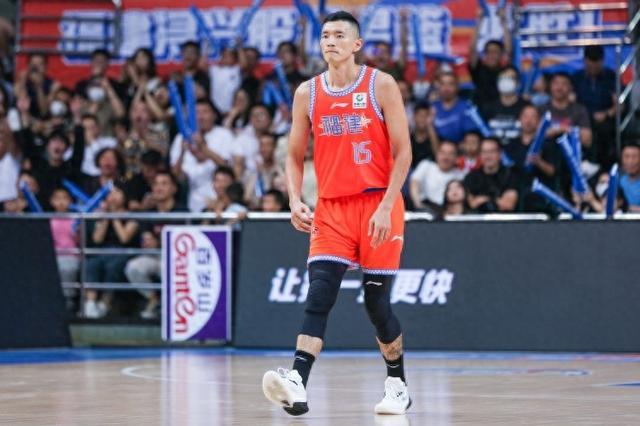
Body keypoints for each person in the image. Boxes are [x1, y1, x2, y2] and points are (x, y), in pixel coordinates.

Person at [262, 11, 413, 416]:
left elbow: (404, 153)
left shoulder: (381, 84)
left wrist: (386, 206)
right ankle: (297, 381)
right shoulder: (307, 93)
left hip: (379, 203)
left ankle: (397, 384)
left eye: (339, 35)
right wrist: (295, 199)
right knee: (320, 292)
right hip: (331, 207)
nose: (330, 41)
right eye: (325, 35)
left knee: (376, 304)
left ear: (356, 44)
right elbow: (293, 155)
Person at [124, 171, 188, 319]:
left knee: (168, 269)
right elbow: (145, 236)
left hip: (177, 260)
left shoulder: (183, 212)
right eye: (156, 184)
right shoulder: (148, 213)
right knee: (133, 267)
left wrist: (158, 243)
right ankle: (154, 300)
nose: (159, 188)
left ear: (174, 189)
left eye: (164, 184)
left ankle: (171, 305)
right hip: (153, 256)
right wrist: (147, 240)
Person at [170, 99, 235, 212]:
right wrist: (182, 152)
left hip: (220, 200)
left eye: (205, 112)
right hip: (191, 200)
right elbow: (175, 175)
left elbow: (227, 168)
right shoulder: (181, 137)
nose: (200, 117)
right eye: (196, 112)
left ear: (214, 115)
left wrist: (203, 148)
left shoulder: (224, 134)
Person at [503, 105, 561, 212]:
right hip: (516, 191)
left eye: (533, 117)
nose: (528, 121)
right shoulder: (511, 145)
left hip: (541, 192)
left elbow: (553, 172)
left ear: (539, 121)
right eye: (525, 116)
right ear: (520, 119)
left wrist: (539, 162)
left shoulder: (548, 144)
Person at [572, 45, 617, 168]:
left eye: (596, 65)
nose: (593, 69)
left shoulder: (611, 77)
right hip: (582, 118)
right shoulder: (577, 78)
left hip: (605, 118)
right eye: (590, 65)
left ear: (602, 61)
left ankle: (603, 167)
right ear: (585, 61)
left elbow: (620, 104)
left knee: (604, 131)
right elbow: (571, 102)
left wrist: (607, 113)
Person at [468, 5, 511, 107]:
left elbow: (508, 51)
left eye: (495, 52)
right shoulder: (478, 69)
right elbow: (472, 49)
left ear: (501, 55)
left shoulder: (504, 71)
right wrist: (479, 21)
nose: (492, 55)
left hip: (499, 109)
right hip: (479, 109)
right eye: (489, 52)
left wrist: (503, 22)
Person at [464, 137, 519, 212]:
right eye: (484, 152)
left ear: (500, 154)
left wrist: (484, 199)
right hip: (477, 218)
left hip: (503, 218)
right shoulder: (471, 177)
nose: (488, 156)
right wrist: (498, 201)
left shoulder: (510, 176)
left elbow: (508, 205)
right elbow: (471, 204)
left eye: (492, 151)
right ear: (480, 154)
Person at [409, 141, 465, 212]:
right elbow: (414, 183)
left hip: (448, 213)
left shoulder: (460, 175)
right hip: (426, 209)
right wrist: (418, 204)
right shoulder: (426, 166)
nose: (446, 157)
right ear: (437, 154)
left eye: (450, 153)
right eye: (443, 152)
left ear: (456, 157)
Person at [481, 66, 530, 143]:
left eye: (510, 78)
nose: (506, 81)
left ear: (518, 83)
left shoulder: (526, 107)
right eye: (503, 78)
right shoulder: (488, 107)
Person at [431, 72, 478, 144]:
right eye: (442, 84)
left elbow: (471, 137)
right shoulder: (432, 107)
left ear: (457, 86)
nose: (446, 88)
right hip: (437, 148)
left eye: (450, 84)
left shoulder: (466, 107)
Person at [620, 143, 640, 212]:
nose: (630, 161)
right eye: (626, 156)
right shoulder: (618, 180)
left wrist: (627, 208)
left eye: (634, 157)